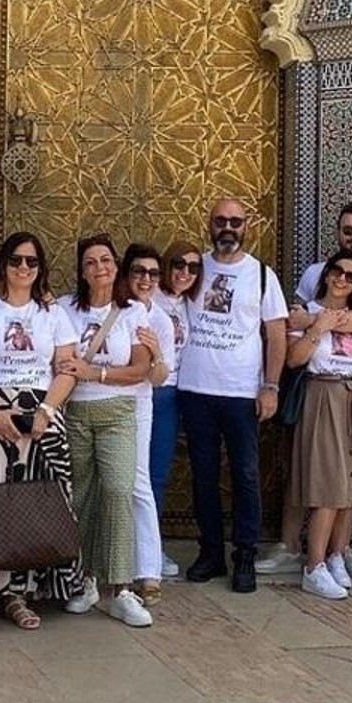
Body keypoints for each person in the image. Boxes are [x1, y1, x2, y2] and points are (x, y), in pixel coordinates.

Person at [260, 201, 352, 580]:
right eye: (348, 230)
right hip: (318, 393)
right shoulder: (313, 274)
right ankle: (296, 549)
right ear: (337, 231)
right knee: (312, 473)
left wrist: (317, 319)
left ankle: (338, 551)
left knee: (348, 477)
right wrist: (314, 321)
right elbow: (296, 329)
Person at [0, 232, 80, 629]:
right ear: (4, 264)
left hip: (43, 416)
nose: (23, 268)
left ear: (40, 268)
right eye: (15, 261)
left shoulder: (53, 314)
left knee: (36, 505)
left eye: (31, 261)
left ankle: (21, 593)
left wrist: (45, 411)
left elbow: (67, 368)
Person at [178, 198, 288, 592]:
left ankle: (245, 555)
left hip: (241, 393)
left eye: (235, 222)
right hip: (195, 389)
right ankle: (210, 553)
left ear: (247, 227)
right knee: (203, 475)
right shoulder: (193, 268)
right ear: (209, 224)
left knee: (244, 475)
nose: (228, 227)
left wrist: (270, 386)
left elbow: (276, 334)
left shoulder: (261, 275)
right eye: (221, 220)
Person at [56, 234, 153, 627]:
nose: (100, 268)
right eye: (92, 262)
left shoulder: (132, 313)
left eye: (106, 261)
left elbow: (140, 369)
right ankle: (85, 579)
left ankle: (121, 586)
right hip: (74, 413)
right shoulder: (64, 309)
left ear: (116, 266)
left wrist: (94, 372)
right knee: (80, 496)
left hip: (116, 412)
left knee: (117, 490)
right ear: (82, 270)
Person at [286, 251, 352, 599]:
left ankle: (337, 555)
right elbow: (294, 359)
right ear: (326, 275)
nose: (343, 279)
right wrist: (316, 328)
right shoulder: (305, 314)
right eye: (338, 272)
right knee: (329, 486)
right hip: (324, 396)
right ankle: (313, 566)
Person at [118, 243, 172, 605]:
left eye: (153, 273)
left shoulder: (161, 320)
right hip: (99, 402)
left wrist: (155, 354)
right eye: (139, 272)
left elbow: (159, 377)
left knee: (138, 482)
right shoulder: (113, 309)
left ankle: (148, 570)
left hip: (137, 406)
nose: (146, 280)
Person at [151, 240, 202, 578]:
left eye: (193, 267)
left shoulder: (193, 304)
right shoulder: (146, 297)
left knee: (157, 474)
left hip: (176, 396)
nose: (185, 272)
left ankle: (151, 546)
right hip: (147, 392)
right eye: (178, 264)